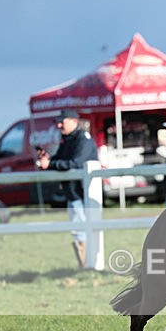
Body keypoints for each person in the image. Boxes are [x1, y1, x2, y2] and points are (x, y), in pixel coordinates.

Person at [36, 108, 98, 269]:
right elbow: (61, 160)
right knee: (78, 228)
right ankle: (85, 266)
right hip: (73, 193)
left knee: (81, 228)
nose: (58, 126)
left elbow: (75, 163)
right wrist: (48, 159)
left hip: (82, 195)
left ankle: (87, 265)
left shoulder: (83, 140)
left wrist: (50, 164)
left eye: (62, 122)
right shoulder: (69, 139)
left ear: (74, 121)